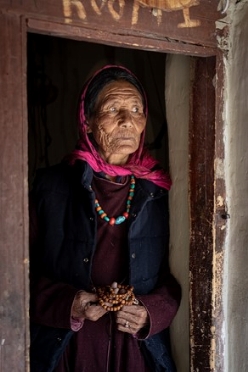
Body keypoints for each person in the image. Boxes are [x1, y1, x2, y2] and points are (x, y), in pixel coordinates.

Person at [29, 65, 181, 372]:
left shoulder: (159, 191)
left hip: (134, 348)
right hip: (70, 347)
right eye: (113, 109)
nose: (127, 121)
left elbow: (175, 277)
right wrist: (66, 303)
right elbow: (16, 276)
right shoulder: (50, 187)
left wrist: (149, 312)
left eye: (136, 109)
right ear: (87, 122)